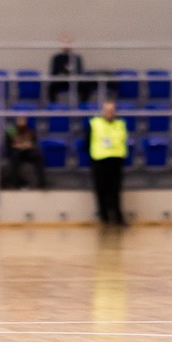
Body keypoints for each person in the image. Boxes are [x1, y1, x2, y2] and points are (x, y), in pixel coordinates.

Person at [86, 98, 128, 226]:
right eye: (107, 110)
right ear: (103, 111)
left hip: (115, 160)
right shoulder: (94, 123)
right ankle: (104, 217)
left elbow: (123, 141)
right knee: (101, 189)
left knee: (115, 190)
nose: (109, 112)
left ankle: (118, 217)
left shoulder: (120, 124)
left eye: (111, 110)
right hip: (99, 160)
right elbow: (87, 142)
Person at [3, 116, 47, 189]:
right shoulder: (11, 130)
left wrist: (28, 145)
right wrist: (19, 145)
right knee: (15, 157)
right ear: (16, 121)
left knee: (38, 157)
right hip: (16, 152)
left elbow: (33, 143)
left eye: (23, 120)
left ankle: (42, 184)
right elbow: (9, 145)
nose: (21, 122)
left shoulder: (30, 131)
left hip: (28, 152)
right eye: (20, 120)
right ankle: (15, 184)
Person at [48, 33, 85, 102]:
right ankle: (53, 105)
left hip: (74, 81)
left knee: (85, 85)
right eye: (64, 43)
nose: (66, 45)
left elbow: (80, 72)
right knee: (51, 86)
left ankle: (82, 105)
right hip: (61, 81)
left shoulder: (76, 57)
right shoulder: (57, 58)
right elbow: (53, 72)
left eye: (68, 43)